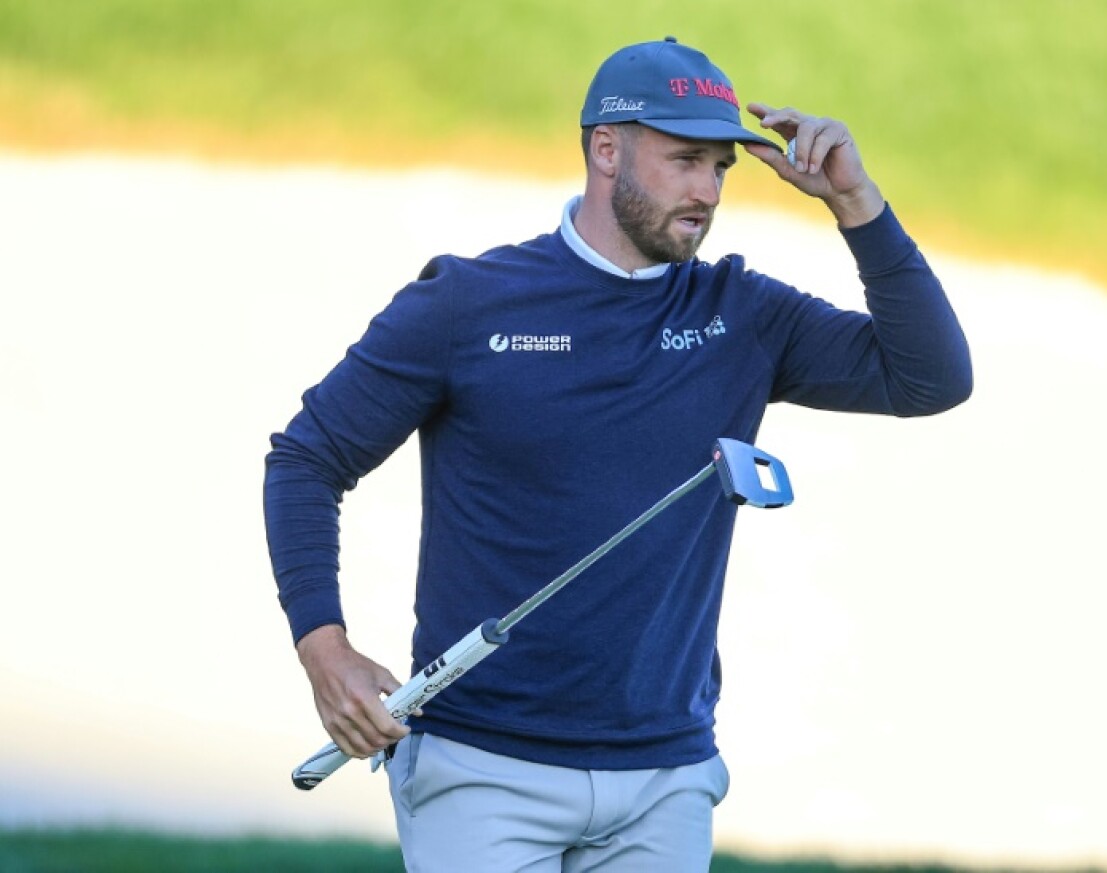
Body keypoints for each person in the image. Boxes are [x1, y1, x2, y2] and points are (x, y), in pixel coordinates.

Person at [264, 35, 971, 873]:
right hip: (484, 771)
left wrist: (857, 202)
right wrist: (325, 648)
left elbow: (930, 377)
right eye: (684, 161)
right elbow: (308, 457)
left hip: (664, 777)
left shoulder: (741, 312)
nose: (707, 191)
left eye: (720, 169)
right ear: (607, 148)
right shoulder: (468, 303)